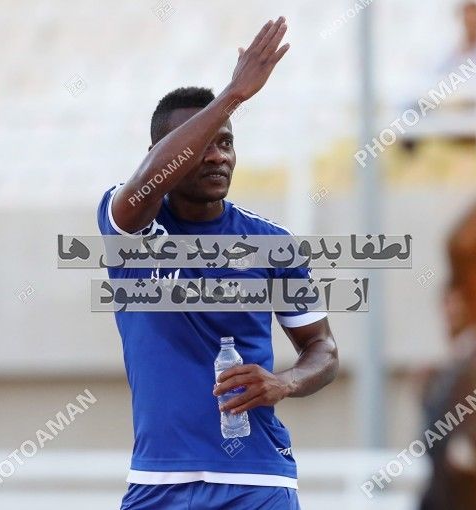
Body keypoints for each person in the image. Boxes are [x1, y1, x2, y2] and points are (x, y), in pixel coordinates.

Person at [97, 17, 339, 510]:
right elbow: (145, 184)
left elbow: (324, 349)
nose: (216, 157)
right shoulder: (128, 224)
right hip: (157, 483)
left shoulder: (272, 243)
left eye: (225, 143)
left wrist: (285, 382)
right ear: (162, 153)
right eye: (199, 145)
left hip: (257, 482)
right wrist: (231, 96)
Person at [419, 279, 476, 510]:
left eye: (455, 304)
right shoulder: (455, 358)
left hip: (459, 474)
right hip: (439, 472)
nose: (450, 313)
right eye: (446, 304)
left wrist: (466, 444)